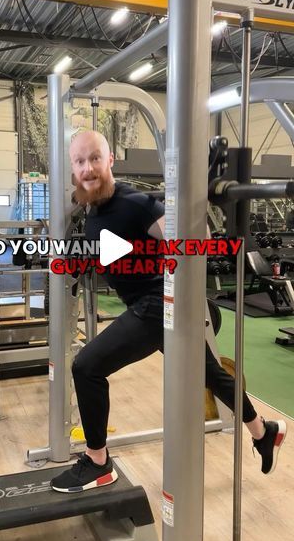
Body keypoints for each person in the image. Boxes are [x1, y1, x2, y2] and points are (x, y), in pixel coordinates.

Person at [50, 130, 287, 493]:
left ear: (110, 160)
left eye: (95, 158)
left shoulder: (135, 203)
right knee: (211, 375)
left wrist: (199, 211)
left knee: (87, 366)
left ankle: (98, 462)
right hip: (154, 306)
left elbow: (197, 241)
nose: (88, 168)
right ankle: (263, 431)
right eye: (80, 161)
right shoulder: (93, 205)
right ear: (73, 168)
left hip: (156, 306)